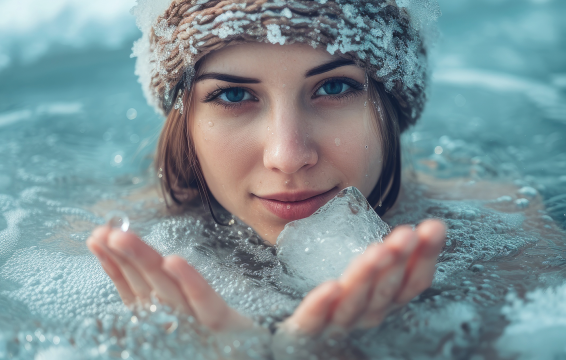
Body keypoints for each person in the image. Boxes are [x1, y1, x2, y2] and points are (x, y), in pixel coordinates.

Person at [87, 0, 447, 342]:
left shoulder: (479, 245)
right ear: (185, 121)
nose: (287, 157)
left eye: (333, 87)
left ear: (391, 106)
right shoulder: (99, 260)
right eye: (234, 95)